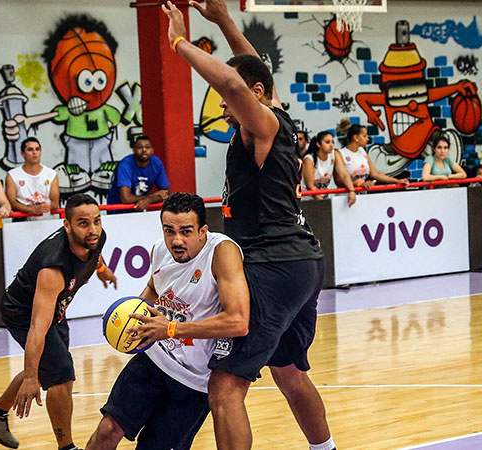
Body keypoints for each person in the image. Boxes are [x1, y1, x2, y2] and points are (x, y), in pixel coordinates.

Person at [163, 1, 338, 449]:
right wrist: (223, 21)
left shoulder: (260, 124)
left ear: (253, 93)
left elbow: (232, 79)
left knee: (224, 386)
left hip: (270, 262)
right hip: (302, 260)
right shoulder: (277, 114)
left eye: (233, 98)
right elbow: (256, 73)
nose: (223, 104)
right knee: (290, 374)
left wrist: (180, 42)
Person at [85, 193, 249, 450]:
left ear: (203, 231)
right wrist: (132, 319)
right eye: (169, 230)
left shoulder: (222, 252)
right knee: (107, 430)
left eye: (186, 231)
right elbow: (153, 286)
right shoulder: (160, 251)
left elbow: (238, 321)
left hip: (193, 381)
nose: (176, 240)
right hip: (153, 360)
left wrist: (171, 329)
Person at [0, 194, 117, 450]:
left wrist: (103, 270)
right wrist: (29, 378)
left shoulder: (94, 238)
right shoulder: (53, 266)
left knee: (47, 367)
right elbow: (38, 326)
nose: (93, 229)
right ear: (67, 225)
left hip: (55, 310)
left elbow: (95, 254)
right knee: (61, 375)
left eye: (96, 221)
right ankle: (67, 447)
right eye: (83, 223)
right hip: (23, 312)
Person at [106, 135, 170, 213]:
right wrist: (151, 197)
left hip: (138, 208)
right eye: (140, 147)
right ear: (134, 150)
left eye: (147, 147)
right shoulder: (125, 164)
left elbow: (166, 193)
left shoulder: (156, 163)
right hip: (117, 210)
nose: (144, 150)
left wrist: (149, 200)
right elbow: (125, 198)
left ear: (152, 150)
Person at [341, 124, 410, 191]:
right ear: (356, 138)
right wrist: (359, 184)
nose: (367, 139)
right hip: (345, 196)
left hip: (361, 196)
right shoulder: (340, 153)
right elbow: (340, 180)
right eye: (364, 136)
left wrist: (397, 181)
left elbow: (375, 174)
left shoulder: (363, 152)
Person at [5, 137, 60, 220]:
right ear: (22, 154)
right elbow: (11, 203)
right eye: (30, 150)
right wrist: (31, 209)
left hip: (48, 222)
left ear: (40, 152)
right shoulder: (12, 175)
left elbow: (55, 203)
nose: (34, 152)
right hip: (22, 223)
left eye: (37, 149)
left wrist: (43, 208)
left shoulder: (51, 174)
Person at [301, 131, 356, 205]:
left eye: (332, 142)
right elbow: (310, 186)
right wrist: (323, 203)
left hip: (324, 197)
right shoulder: (309, 159)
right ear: (318, 144)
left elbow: (343, 174)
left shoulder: (334, 154)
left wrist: (352, 190)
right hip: (308, 200)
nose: (331, 145)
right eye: (327, 142)